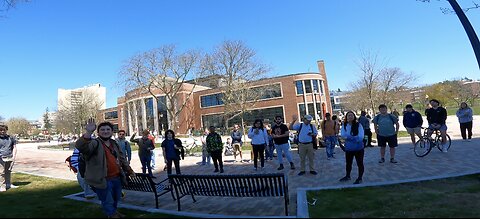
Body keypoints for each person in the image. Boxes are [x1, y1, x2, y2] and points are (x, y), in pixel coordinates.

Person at [75, 119, 135, 218]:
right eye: (102, 130)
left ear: (112, 132)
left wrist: (129, 170)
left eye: (108, 129)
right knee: (107, 199)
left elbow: (122, 158)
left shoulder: (114, 143)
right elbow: (82, 147)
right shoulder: (95, 143)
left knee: (116, 198)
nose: (105, 131)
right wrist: (89, 132)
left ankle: (113, 212)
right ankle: (111, 215)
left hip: (116, 177)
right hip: (103, 179)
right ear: (98, 132)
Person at [339, 111, 365, 184]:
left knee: (360, 163)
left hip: (359, 148)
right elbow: (343, 135)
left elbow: (361, 137)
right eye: (348, 115)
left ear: (354, 116)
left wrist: (349, 138)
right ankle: (348, 176)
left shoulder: (359, 125)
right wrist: (354, 138)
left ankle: (360, 178)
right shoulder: (344, 125)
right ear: (346, 117)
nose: (350, 117)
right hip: (349, 149)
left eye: (351, 115)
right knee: (348, 163)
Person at [0, 125, 17, 192]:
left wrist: (14, 156)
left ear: (6, 130)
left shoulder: (11, 138)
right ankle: (2, 186)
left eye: (4, 130)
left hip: (9, 157)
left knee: (8, 171)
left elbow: (14, 147)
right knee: (1, 172)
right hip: (1, 158)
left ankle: (8, 184)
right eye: (1, 130)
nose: (2, 131)